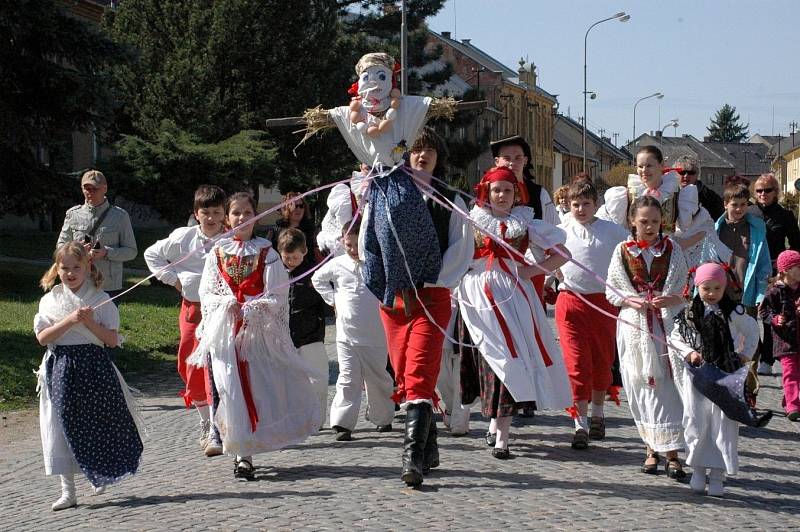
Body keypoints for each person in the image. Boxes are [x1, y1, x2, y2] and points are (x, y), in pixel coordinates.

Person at [190, 192, 323, 480]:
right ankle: (240, 451)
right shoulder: (216, 252)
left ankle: (249, 448)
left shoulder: (268, 253)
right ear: (228, 218)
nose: (241, 219)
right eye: (236, 213)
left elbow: (277, 294)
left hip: (255, 334)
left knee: (256, 388)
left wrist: (251, 308)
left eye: (247, 213)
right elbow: (207, 292)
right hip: (226, 333)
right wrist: (226, 305)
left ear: (256, 217)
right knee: (230, 389)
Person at [374, 126, 474, 487]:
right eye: (415, 149)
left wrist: (433, 278)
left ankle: (411, 458)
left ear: (437, 157)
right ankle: (429, 447)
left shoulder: (448, 200)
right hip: (395, 300)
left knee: (418, 373)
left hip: (431, 297)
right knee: (406, 373)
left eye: (429, 150)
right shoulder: (386, 194)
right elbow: (372, 240)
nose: (421, 155)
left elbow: (461, 248)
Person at [455, 166, 572, 459]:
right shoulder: (472, 222)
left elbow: (563, 254)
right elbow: (456, 255)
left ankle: (502, 436)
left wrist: (529, 270)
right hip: (476, 298)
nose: (502, 196)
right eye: (496, 190)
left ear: (516, 194)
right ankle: (490, 421)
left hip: (512, 297)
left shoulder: (526, 223)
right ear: (486, 193)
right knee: (487, 360)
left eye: (508, 190)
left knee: (511, 358)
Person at [34, 242, 143, 510]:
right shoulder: (50, 300)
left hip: (93, 367)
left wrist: (88, 322)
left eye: (76, 267)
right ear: (57, 269)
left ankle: (98, 471)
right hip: (60, 366)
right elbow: (42, 337)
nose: (70, 273)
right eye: (65, 268)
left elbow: (112, 339)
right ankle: (67, 491)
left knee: (97, 421)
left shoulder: (100, 299)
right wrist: (70, 321)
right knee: (61, 426)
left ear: (87, 267)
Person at [605, 195, 689, 479]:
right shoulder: (622, 251)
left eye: (655, 221)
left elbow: (683, 287)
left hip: (665, 326)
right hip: (634, 327)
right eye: (644, 222)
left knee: (667, 387)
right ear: (632, 221)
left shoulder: (672, 249)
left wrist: (670, 300)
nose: (650, 227)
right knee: (641, 385)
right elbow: (612, 291)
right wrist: (631, 300)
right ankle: (650, 449)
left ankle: (673, 454)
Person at [143, 185, 227, 457]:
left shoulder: (231, 239)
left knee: (222, 365)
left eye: (217, 212)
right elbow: (151, 255)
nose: (211, 218)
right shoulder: (183, 238)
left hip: (223, 312)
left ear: (224, 214)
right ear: (196, 213)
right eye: (206, 213)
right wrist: (174, 280)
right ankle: (205, 420)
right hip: (193, 309)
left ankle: (222, 424)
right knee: (190, 363)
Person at [670, 262, 759, 496]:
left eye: (717, 289)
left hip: (726, 375)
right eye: (706, 288)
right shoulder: (689, 313)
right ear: (697, 286)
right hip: (699, 376)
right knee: (697, 421)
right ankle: (698, 470)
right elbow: (675, 337)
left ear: (724, 287)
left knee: (723, 424)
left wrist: (745, 354)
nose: (711, 294)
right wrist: (689, 352)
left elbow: (752, 330)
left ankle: (718, 474)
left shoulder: (733, 312)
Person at [555, 179, 628, 449]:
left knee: (601, 361)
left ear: (596, 204)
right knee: (576, 365)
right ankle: (580, 423)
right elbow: (535, 251)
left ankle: (598, 414)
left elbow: (629, 257)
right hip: (570, 303)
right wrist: (553, 271)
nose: (581, 209)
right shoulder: (560, 230)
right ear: (568, 205)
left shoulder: (613, 232)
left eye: (586, 204)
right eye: (575, 204)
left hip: (603, 304)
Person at [312, 219, 395, 441]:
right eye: (348, 245)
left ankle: (382, 417)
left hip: (375, 334)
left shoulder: (377, 263)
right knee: (348, 378)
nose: (352, 250)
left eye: (356, 245)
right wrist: (333, 301)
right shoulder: (338, 263)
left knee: (377, 377)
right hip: (346, 334)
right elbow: (317, 279)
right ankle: (342, 422)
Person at [597, 146, 727, 271]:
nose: (644, 170)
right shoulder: (624, 195)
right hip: (636, 259)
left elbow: (705, 227)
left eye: (649, 166)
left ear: (661, 166)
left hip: (667, 260)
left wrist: (679, 245)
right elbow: (603, 225)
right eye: (640, 166)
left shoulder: (680, 195)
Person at [277, 228, 330, 429]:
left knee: (318, 379)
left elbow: (325, 300)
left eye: (295, 257)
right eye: (287, 257)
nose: (290, 261)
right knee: (287, 381)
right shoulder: (276, 273)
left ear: (304, 252)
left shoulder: (314, 273)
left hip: (311, 334)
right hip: (284, 336)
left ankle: (317, 419)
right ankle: (291, 419)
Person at [57, 170, 138, 300]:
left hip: (108, 285)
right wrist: (76, 250)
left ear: (105, 189)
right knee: (77, 319)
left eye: (95, 188)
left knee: (107, 320)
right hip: (78, 282)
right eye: (86, 188)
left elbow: (131, 252)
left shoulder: (120, 216)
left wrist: (106, 252)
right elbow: (60, 247)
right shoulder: (73, 214)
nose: (90, 192)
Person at [750, 173, 800, 375]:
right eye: (759, 190)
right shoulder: (749, 212)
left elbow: (796, 245)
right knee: (748, 316)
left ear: (775, 192)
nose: (763, 194)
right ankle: (756, 353)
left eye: (767, 190)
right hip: (751, 270)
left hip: (775, 271)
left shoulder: (785, 215)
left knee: (769, 314)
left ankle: (768, 360)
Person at [760, 250, 800, 422]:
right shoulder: (774, 292)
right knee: (790, 373)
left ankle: (788, 399)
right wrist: (775, 319)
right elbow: (763, 312)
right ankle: (793, 406)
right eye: (797, 267)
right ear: (785, 270)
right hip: (784, 342)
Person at [269, 191, 322, 263]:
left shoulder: (311, 229)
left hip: (305, 270)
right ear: (287, 207)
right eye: (295, 206)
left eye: (301, 206)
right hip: (282, 270)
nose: (298, 209)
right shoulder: (277, 229)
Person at [674, 155, 724, 221]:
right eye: (682, 172)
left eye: (691, 172)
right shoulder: (669, 195)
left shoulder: (711, 198)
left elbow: (718, 222)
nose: (686, 176)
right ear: (675, 173)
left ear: (697, 174)